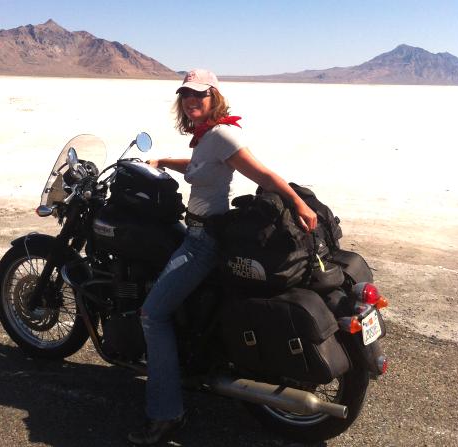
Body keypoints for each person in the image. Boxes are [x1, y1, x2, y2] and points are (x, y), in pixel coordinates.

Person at [127, 69, 317, 445]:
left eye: (200, 94)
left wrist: (295, 201)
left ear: (215, 97)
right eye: (186, 94)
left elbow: (260, 173)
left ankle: (166, 414)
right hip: (199, 231)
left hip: (203, 240)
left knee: (152, 315)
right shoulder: (206, 137)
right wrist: (163, 162)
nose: (192, 100)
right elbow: (200, 170)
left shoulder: (222, 134)